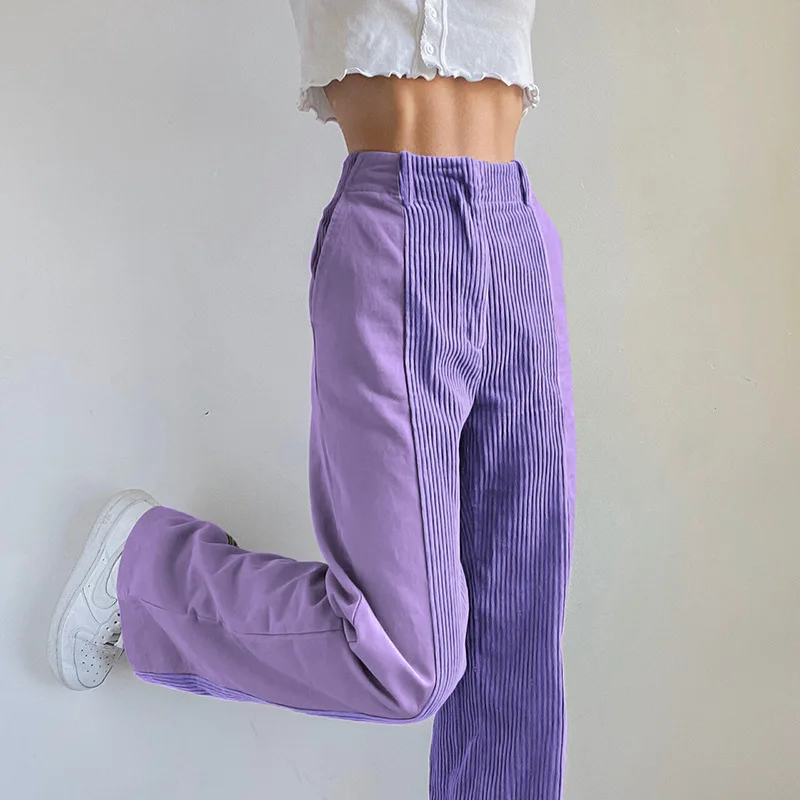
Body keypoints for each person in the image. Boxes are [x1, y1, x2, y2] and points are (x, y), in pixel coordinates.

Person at [48, 2, 576, 798]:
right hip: (402, 225)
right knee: (405, 661)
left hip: (520, 237)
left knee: (519, 640)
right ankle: (151, 570)